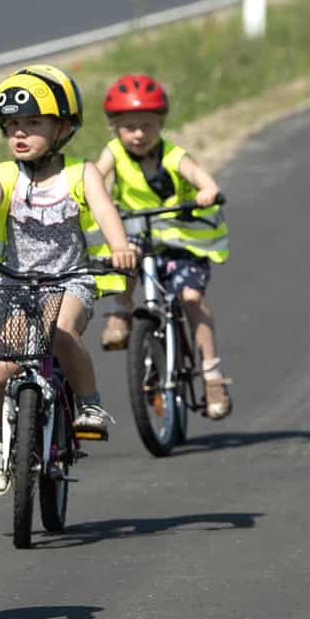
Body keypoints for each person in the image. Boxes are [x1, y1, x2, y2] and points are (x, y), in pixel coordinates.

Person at [0, 64, 137, 493]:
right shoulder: (4, 176)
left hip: (71, 282)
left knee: (60, 333)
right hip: (16, 285)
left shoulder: (82, 174)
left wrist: (119, 247)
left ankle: (90, 405)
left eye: (32, 123)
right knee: (4, 366)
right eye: (12, 126)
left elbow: (104, 212)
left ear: (63, 127)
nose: (20, 134)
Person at [94, 74, 232, 419]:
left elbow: (202, 178)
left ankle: (212, 376)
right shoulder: (114, 153)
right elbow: (95, 178)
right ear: (114, 129)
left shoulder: (173, 155)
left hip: (181, 235)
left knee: (190, 299)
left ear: (161, 124)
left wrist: (206, 192)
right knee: (121, 254)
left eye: (147, 125)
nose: (139, 134)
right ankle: (123, 311)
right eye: (129, 127)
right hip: (139, 231)